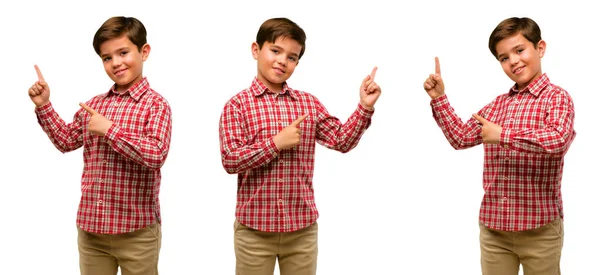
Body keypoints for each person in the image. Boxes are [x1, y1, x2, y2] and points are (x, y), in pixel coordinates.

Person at [219, 17, 381, 275]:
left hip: (302, 232)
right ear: (255, 50)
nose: (283, 61)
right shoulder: (237, 105)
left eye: (292, 57)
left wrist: (365, 106)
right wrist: (275, 144)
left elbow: (342, 140)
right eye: (275, 50)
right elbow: (230, 159)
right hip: (254, 233)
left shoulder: (308, 104)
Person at [423, 17, 575, 275]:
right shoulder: (497, 106)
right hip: (494, 232)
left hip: (539, 231)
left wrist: (503, 135)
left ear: (540, 48)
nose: (513, 61)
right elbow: (460, 137)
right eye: (504, 58)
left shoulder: (557, 97)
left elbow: (558, 139)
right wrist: (439, 99)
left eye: (519, 50)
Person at [28, 16, 172, 275]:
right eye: (107, 58)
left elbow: (156, 154)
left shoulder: (156, 105)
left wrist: (110, 130)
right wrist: (44, 105)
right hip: (91, 231)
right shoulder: (94, 105)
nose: (116, 63)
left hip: (137, 233)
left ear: (144, 52)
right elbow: (65, 140)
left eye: (123, 52)